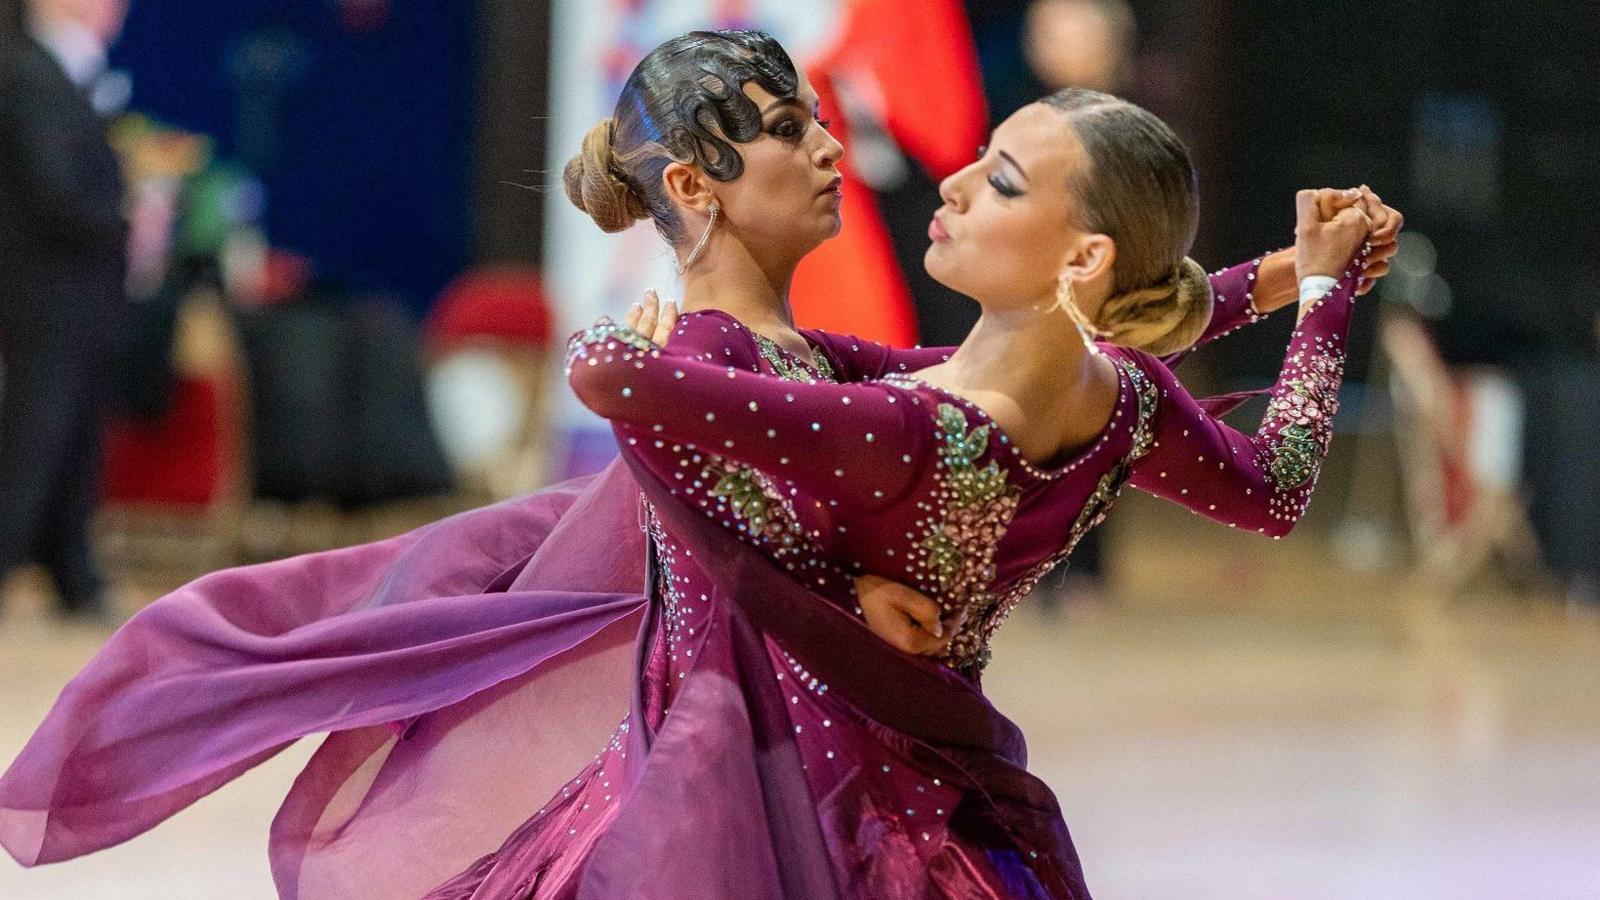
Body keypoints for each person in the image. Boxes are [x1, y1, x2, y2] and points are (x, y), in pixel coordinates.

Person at [1, 30, 1396, 898]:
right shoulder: (859, 377)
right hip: (766, 785)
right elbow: (628, 391)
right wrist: (1304, 286)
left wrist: (1278, 280)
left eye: (1000, 179)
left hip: (853, 787)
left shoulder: (854, 380)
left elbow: (1028, 353)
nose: (842, 146)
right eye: (788, 129)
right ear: (697, 186)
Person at [0, 0, 131, 619]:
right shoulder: (27, 71)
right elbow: (57, 190)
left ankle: (71, 569)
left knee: (72, 432)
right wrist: (129, 214)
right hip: (42, 288)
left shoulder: (62, 71)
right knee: (38, 432)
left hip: (77, 288)